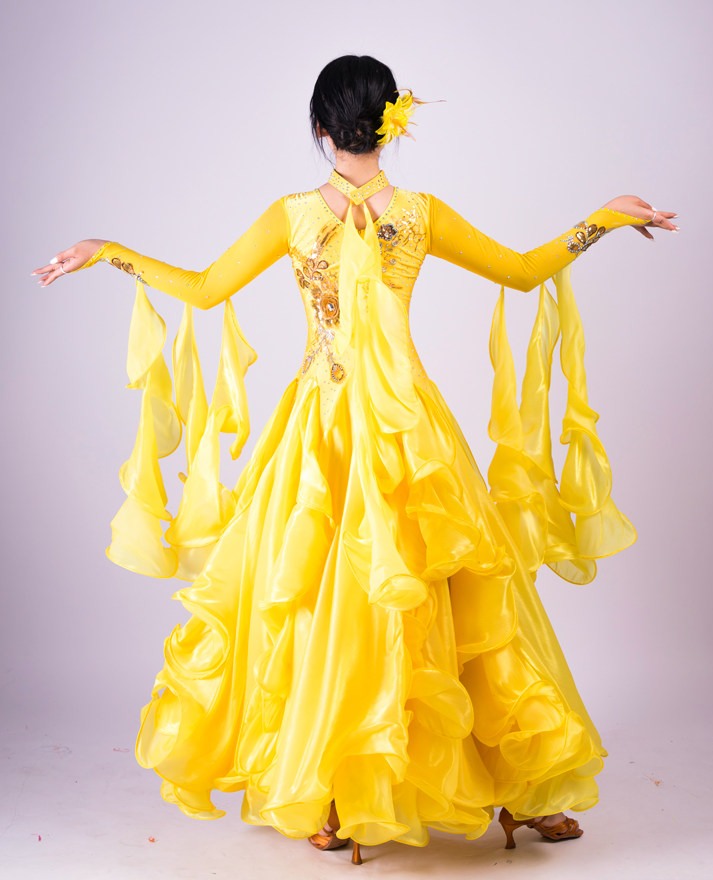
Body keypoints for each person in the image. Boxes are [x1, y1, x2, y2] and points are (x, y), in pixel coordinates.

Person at [32, 54, 677, 866]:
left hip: (321, 429)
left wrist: (109, 251)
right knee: (459, 600)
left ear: (320, 128)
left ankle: (333, 794)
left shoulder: (294, 215)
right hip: (410, 431)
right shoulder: (422, 213)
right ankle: (519, 784)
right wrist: (604, 219)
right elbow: (522, 273)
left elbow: (201, 290)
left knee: (318, 603)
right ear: (391, 123)